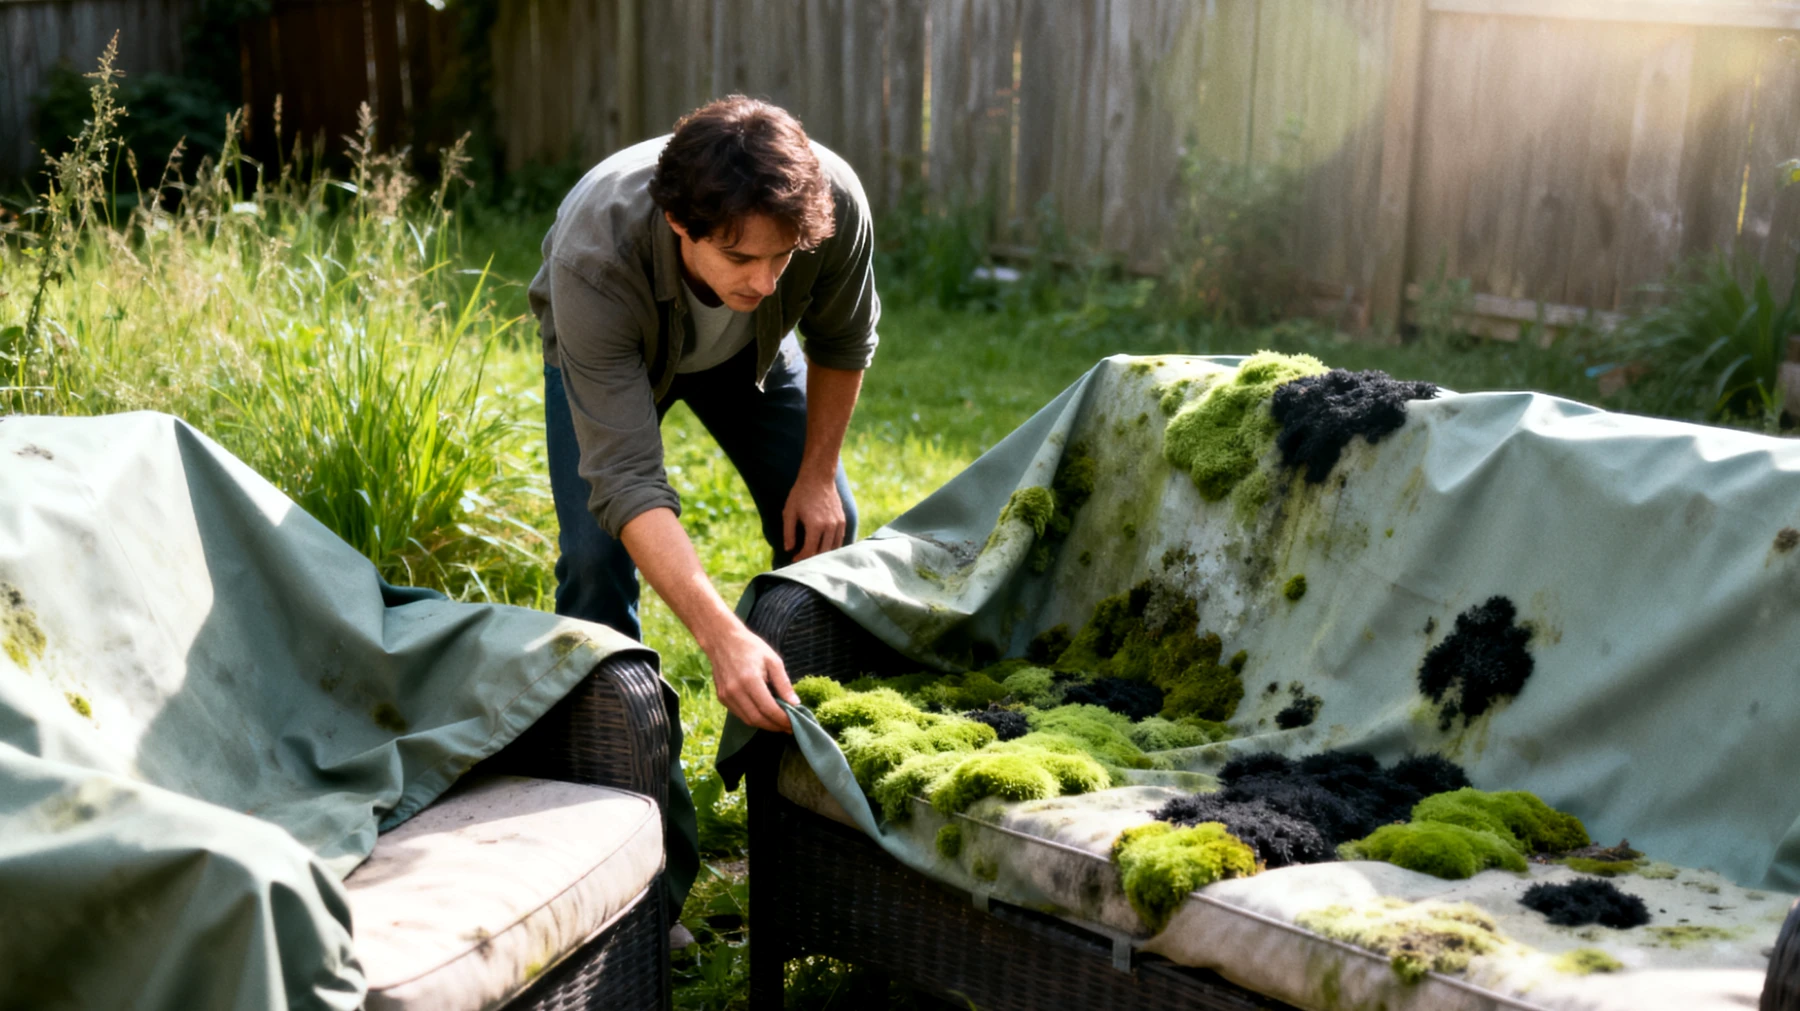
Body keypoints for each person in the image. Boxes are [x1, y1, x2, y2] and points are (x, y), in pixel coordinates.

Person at [527, 95, 879, 911]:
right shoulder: (595, 256)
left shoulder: (830, 205)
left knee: (827, 528)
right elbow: (627, 481)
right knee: (595, 565)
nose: (764, 278)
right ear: (680, 223)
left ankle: (801, 806)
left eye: (783, 258)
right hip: (615, 347)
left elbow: (842, 340)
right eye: (740, 256)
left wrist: (816, 475)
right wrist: (721, 635)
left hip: (750, 355)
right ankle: (644, 871)